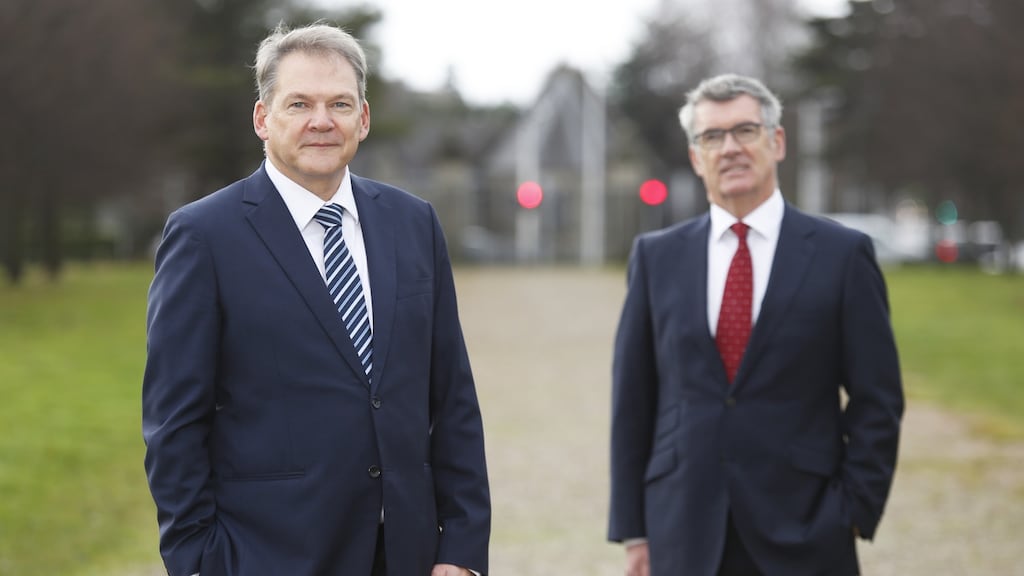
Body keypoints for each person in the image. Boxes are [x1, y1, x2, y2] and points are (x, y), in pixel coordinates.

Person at [142, 22, 490, 576]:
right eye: (299, 103)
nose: (321, 121)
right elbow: (174, 424)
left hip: (409, 554)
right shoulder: (204, 236)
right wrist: (198, 562)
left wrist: (462, 551)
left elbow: (452, 399)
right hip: (269, 555)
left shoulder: (413, 223)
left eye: (339, 104)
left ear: (364, 118)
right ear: (263, 118)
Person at [607, 73, 904, 576]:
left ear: (777, 140)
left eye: (745, 130)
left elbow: (878, 398)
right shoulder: (656, 258)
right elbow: (633, 399)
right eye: (712, 136)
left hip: (806, 531)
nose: (730, 149)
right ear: (696, 157)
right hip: (682, 531)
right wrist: (635, 528)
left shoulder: (842, 256)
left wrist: (853, 510)